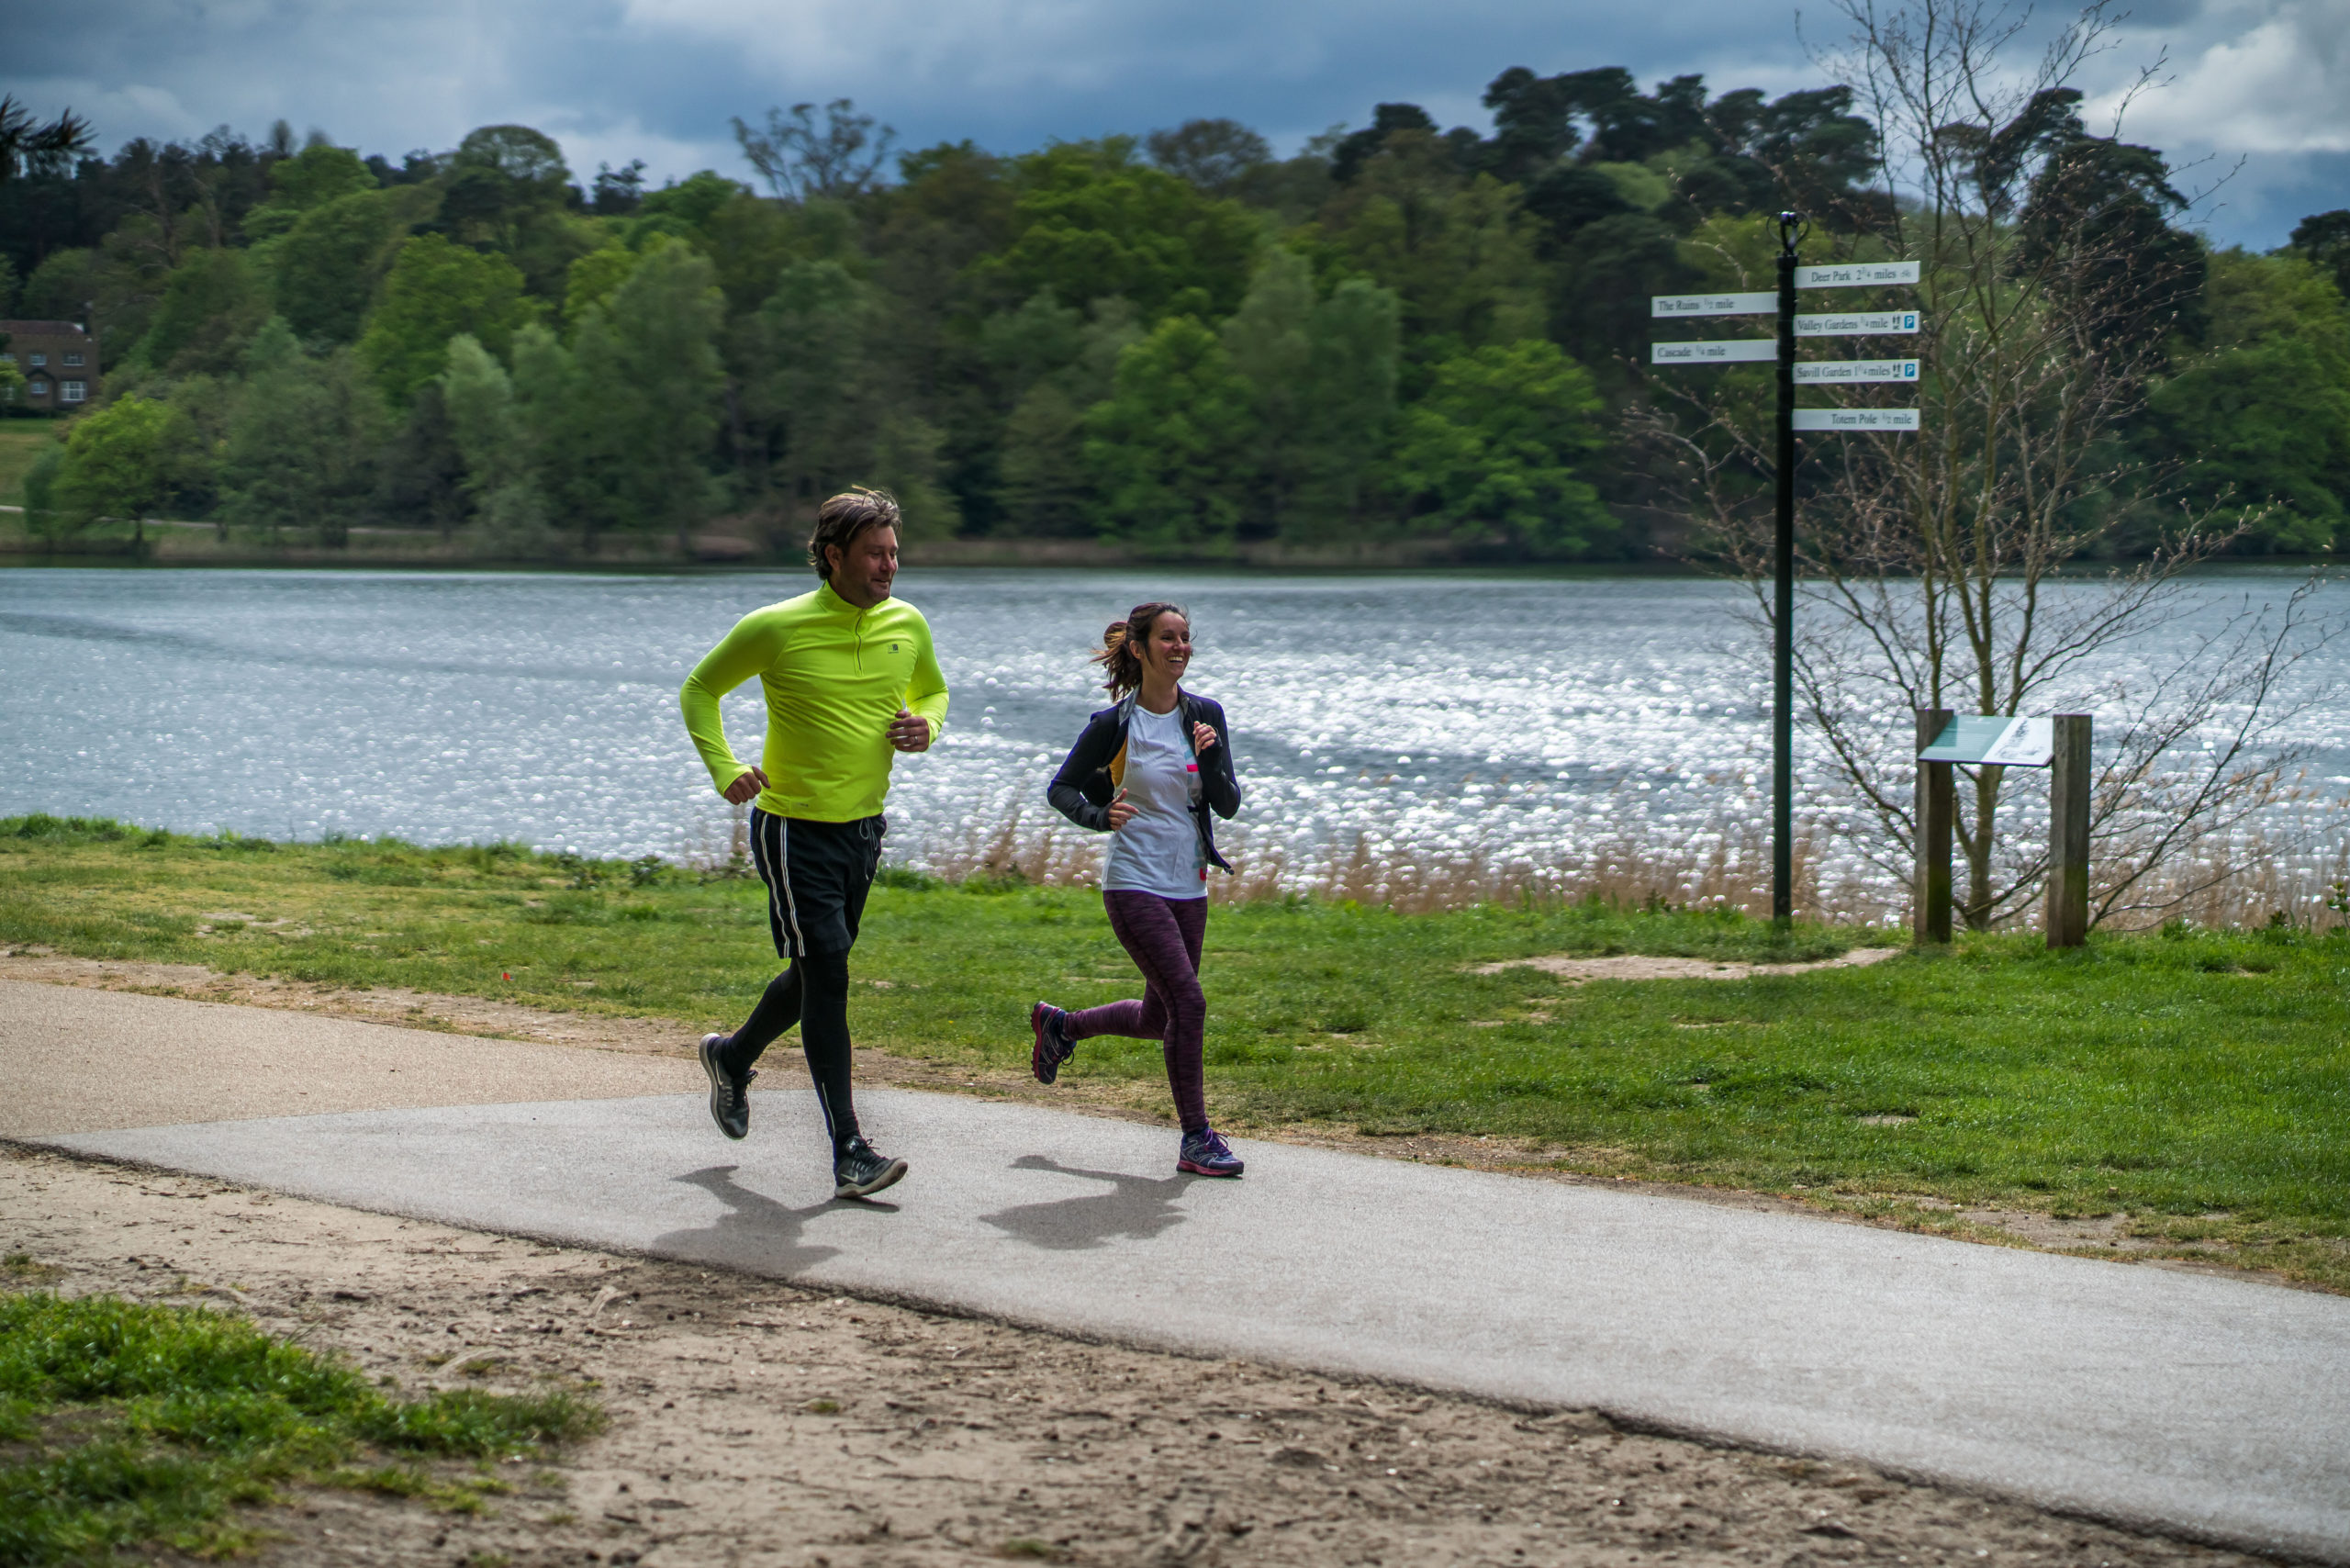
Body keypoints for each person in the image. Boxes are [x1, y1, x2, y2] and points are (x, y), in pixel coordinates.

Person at [678, 488, 947, 1199]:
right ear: (834, 557)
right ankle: (849, 1149)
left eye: (894, 552)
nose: (889, 566)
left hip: (864, 828)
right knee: (829, 974)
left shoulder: (907, 624)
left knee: (813, 974)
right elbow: (700, 690)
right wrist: (726, 768)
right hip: (794, 828)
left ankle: (732, 1058)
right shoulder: (777, 627)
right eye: (874, 554)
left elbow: (935, 692)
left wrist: (927, 727)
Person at [1029, 601, 1246, 1177]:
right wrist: (1101, 817)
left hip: (1189, 884)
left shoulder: (1204, 715)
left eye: (1186, 639)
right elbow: (1062, 789)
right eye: (1168, 639)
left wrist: (1214, 755)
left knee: (1160, 1018)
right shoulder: (1115, 725)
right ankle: (1196, 1138)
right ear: (1141, 648)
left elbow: (1226, 803)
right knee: (1190, 1003)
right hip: (1133, 882)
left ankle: (1062, 1026)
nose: (1180, 648)